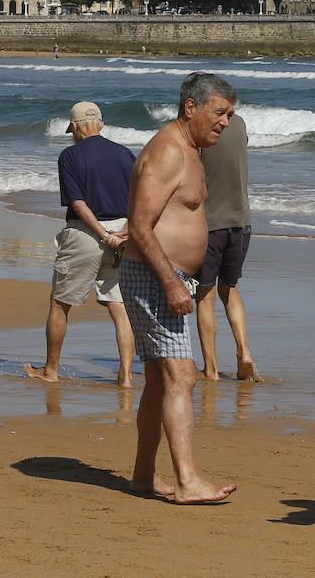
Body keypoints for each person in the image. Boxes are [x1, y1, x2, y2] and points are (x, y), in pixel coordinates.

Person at [121, 72, 239, 504]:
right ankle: (187, 481)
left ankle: (143, 476)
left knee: (159, 381)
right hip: (156, 276)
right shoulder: (168, 152)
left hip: (166, 276)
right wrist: (171, 282)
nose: (226, 122)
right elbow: (140, 224)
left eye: (230, 114)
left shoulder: (190, 149)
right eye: (220, 112)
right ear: (191, 108)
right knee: (181, 376)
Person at [25, 101, 138, 387]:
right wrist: (122, 233)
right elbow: (141, 199)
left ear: (75, 127)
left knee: (60, 303)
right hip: (122, 234)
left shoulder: (69, 156)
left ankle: (51, 370)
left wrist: (103, 234)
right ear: (100, 124)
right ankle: (125, 375)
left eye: (72, 129)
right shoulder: (126, 154)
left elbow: (78, 202)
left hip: (86, 233)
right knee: (120, 306)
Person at [195, 112, 258, 381]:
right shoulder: (239, 122)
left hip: (210, 223)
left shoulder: (196, 127)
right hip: (242, 220)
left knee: (205, 296)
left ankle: (210, 369)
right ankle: (244, 352)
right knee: (229, 288)